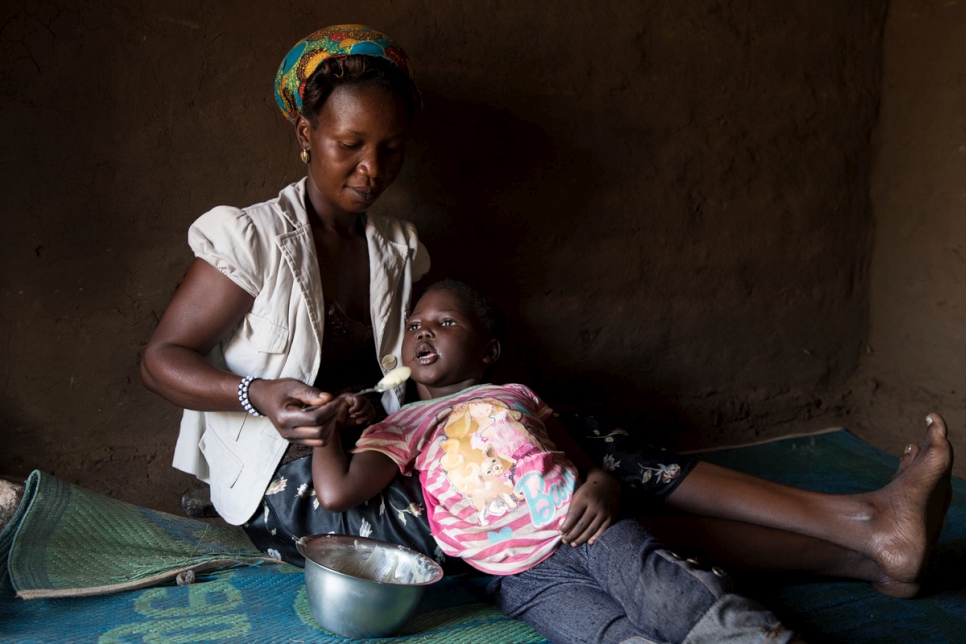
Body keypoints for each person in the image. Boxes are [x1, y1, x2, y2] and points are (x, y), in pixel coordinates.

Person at [141, 25, 953, 598]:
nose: (369, 167)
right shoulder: (251, 236)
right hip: (293, 486)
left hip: (379, 444)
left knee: (564, 465)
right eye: (348, 143)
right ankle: (859, 540)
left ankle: (865, 535)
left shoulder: (396, 247)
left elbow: (403, 387)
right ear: (304, 132)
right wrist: (259, 397)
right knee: (546, 503)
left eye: (389, 148)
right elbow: (163, 358)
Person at [312, 280, 803, 643]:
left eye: (445, 323)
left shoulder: (516, 396)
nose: (424, 332)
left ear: (489, 351)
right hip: (512, 576)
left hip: (582, 527)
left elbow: (585, 465)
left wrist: (602, 486)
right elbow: (337, 492)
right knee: (603, 633)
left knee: (666, 594)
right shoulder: (405, 424)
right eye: (415, 325)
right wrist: (324, 428)